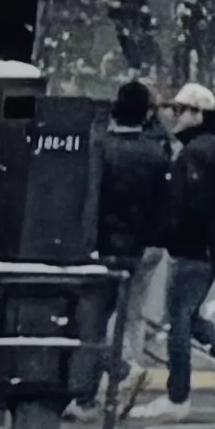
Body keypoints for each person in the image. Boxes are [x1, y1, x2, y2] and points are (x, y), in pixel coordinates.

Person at [151, 84, 215, 407]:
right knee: (188, 316)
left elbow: (183, 206)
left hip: (192, 247)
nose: (175, 117)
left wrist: (164, 233)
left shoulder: (193, 155)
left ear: (198, 114)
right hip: (213, 249)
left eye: (180, 110)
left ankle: (178, 393)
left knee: (179, 320)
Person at [89, 78, 175, 391]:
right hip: (140, 245)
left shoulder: (101, 150)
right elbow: (165, 202)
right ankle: (126, 362)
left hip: (103, 244)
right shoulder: (156, 153)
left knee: (94, 316)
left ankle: (115, 370)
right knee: (130, 310)